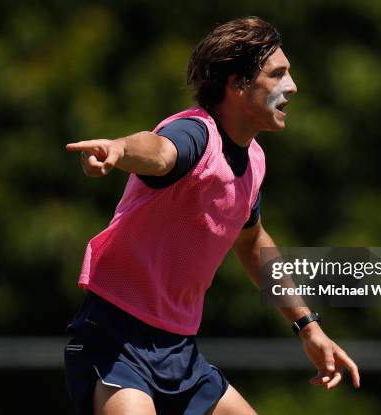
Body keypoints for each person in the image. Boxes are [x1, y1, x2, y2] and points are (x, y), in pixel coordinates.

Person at [64, 16, 360, 415]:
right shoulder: (195, 136)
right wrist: (119, 149)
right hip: (118, 339)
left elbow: (252, 242)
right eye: (278, 75)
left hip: (180, 352)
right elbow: (159, 151)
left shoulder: (253, 161)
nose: (292, 86)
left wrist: (309, 328)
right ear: (237, 84)